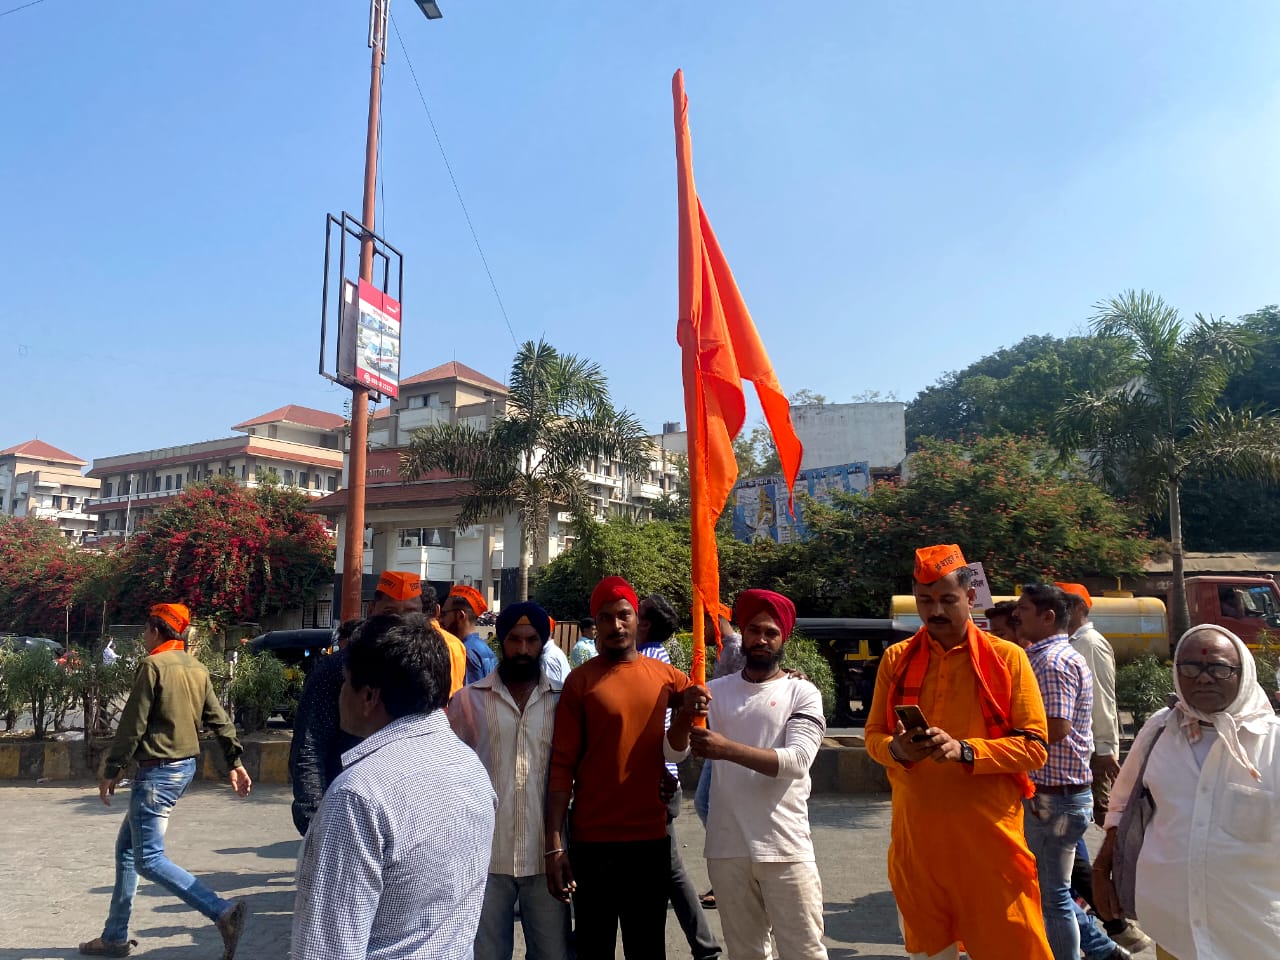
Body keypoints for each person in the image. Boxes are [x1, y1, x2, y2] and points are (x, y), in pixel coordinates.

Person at [865, 544, 1053, 960]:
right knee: (931, 954)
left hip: (988, 845)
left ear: (970, 598)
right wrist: (896, 749)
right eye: (925, 600)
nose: (935, 611)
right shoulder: (896, 659)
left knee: (1015, 949)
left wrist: (966, 751)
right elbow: (873, 737)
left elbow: (1035, 747)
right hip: (918, 847)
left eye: (947, 600)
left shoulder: (1008, 658)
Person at [292, 613, 496, 959]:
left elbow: (328, 949)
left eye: (346, 682)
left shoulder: (357, 796)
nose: (341, 692)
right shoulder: (470, 768)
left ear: (368, 696)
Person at [1093, 625, 1280, 960]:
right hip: (1174, 928)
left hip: (1255, 934)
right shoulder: (1160, 729)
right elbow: (1124, 803)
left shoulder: (1274, 743)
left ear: (1244, 674)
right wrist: (1102, 870)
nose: (1204, 678)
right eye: (1191, 668)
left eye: (1220, 668)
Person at [545, 576, 708, 960]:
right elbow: (561, 766)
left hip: (648, 839)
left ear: (638, 620)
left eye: (623, 616)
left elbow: (682, 736)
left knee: (647, 946)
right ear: (596, 624)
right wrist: (555, 845)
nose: (616, 626)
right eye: (605, 618)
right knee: (593, 946)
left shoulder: (668, 678)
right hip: (591, 839)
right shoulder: (579, 683)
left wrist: (692, 705)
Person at [79, 603, 252, 960]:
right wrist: (234, 760)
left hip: (158, 771)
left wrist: (111, 769)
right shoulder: (196, 666)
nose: (143, 638)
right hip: (183, 767)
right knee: (127, 851)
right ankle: (113, 937)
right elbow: (219, 719)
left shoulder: (153, 665)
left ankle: (221, 910)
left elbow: (133, 724)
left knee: (148, 859)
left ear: (157, 631)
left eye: (145, 630)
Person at [675, 589, 828, 960]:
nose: (761, 639)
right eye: (754, 630)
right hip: (727, 850)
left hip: (785, 847)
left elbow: (796, 762)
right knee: (745, 953)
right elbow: (673, 752)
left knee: (804, 950)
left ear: (783, 638)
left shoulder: (802, 692)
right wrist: (683, 714)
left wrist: (725, 749)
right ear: (741, 634)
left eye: (771, 633)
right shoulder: (712, 692)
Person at [289, 572, 464, 837]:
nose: (400, 621)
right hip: (349, 812)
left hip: (414, 814)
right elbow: (309, 748)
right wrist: (315, 822)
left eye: (411, 612)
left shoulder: (433, 664)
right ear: (372, 610)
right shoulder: (338, 668)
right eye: (390, 611)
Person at [449, 601, 570, 960]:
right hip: (484, 857)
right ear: (501, 641)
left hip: (546, 855)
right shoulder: (467, 701)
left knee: (553, 954)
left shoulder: (563, 701)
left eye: (531, 640)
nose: (522, 649)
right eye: (514, 640)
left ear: (541, 642)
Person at [1015, 584, 1128, 960]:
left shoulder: (1052, 660)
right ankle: (1104, 947)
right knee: (1054, 891)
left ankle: (1100, 948)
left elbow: (1057, 726)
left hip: (1055, 795)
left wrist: (1003, 739)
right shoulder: (1054, 655)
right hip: (1059, 793)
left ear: (1048, 616)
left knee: (1053, 897)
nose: (1017, 617)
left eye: (1024, 609)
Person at [1057, 584, 1151, 955]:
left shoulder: (1088, 644)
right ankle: (1111, 920)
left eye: (1063, 605)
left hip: (1090, 754)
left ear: (1079, 608)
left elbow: (1101, 700)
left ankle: (1116, 920)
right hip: (1085, 754)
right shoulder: (1072, 642)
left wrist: (1106, 750)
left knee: (1083, 837)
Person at [638, 593, 722, 960]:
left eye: (631, 615)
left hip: (655, 778)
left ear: (644, 624)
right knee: (668, 870)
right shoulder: (662, 660)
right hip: (662, 775)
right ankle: (705, 948)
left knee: (670, 870)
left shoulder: (647, 664)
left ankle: (706, 948)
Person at [442, 584, 498, 684]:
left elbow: (467, 696)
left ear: (460, 615)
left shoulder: (465, 652)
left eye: (444, 614)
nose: (441, 620)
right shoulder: (482, 647)